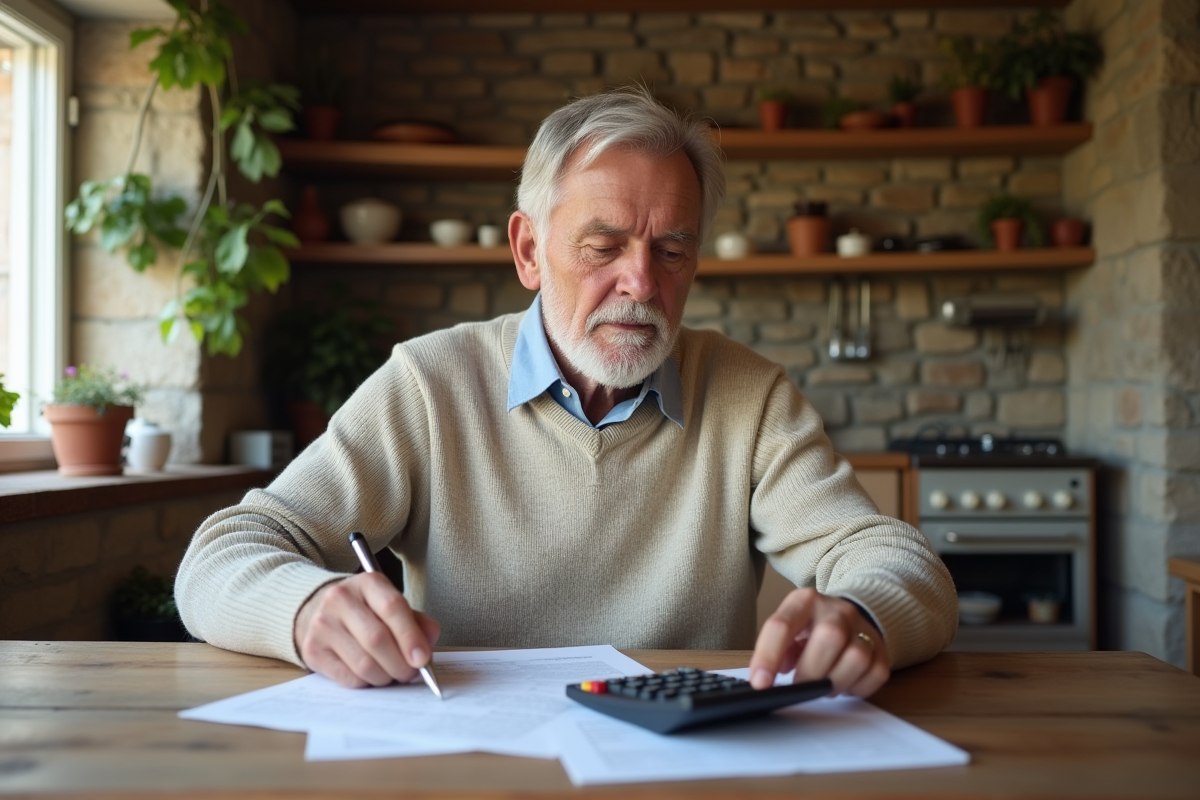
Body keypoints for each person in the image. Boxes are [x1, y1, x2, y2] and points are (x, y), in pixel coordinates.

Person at [176, 87, 956, 699]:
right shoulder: (429, 384)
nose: (642, 283)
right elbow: (221, 556)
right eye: (603, 246)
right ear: (528, 250)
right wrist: (308, 610)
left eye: (672, 249)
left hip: (679, 764)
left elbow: (893, 558)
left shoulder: (749, 397)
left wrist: (859, 617)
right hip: (470, 758)